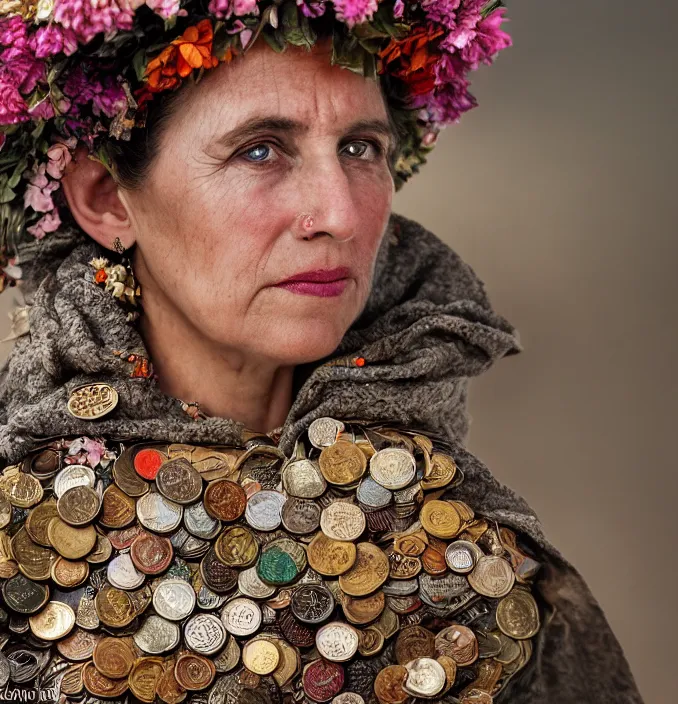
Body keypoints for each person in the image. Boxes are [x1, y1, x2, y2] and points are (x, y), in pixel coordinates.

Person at [0, 2, 643, 702]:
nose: (338, 213)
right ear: (107, 201)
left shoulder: (470, 556)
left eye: (360, 147)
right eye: (260, 149)